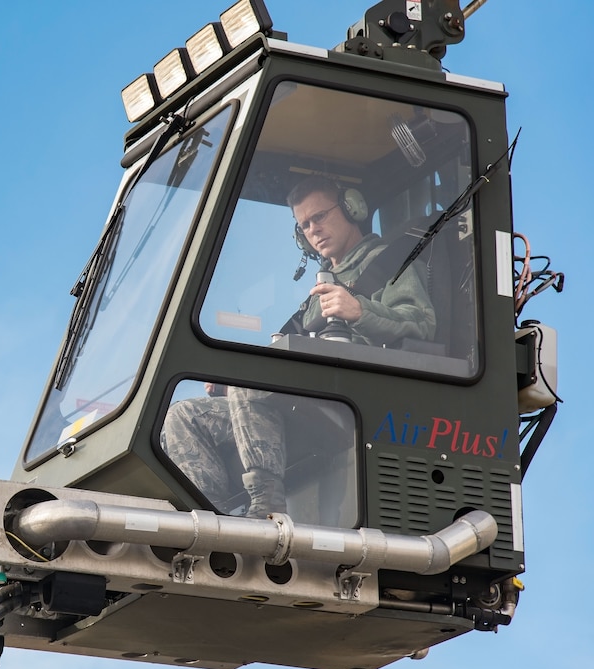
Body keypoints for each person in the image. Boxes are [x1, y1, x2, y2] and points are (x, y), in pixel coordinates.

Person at [162, 176, 436, 518]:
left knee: (250, 384)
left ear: (353, 209)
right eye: (304, 225)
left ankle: (267, 504)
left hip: (352, 399)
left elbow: (421, 323)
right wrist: (227, 384)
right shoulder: (319, 291)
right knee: (184, 416)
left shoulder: (387, 263)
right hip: (302, 398)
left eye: (319, 217)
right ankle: (210, 517)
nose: (313, 230)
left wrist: (360, 311)